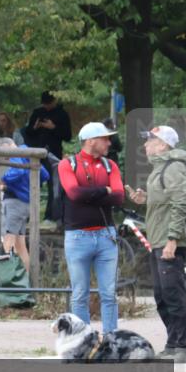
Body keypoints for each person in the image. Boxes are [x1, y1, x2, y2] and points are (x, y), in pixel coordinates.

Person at [126, 126, 186, 361]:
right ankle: (174, 343)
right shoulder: (161, 168)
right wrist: (146, 199)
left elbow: (180, 204)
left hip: (168, 240)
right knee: (162, 295)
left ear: (163, 145)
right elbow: (166, 201)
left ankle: (185, 346)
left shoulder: (174, 167)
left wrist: (172, 240)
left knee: (173, 293)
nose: (145, 145)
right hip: (159, 239)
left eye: (151, 140)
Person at [58, 122, 124, 333]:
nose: (109, 142)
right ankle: (83, 340)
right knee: (79, 294)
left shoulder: (110, 165)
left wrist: (91, 193)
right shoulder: (67, 164)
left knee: (109, 294)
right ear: (91, 141)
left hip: (106, 236)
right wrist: (104, 190)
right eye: (105, 139)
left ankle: (111, 339)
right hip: (78, 236)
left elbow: (119, 196)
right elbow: (73, 194)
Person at [0, 138, 50, 264]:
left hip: (14, 202)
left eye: (4, 155)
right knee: (20, 246)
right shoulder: (30, 154)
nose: (6, 159)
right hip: (26, 204)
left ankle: (6, 280)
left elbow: (18, 170)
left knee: (7, 242)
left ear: (7, 146)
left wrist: (4, 179)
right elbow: (45, 175)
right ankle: (25, 281)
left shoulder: (16, 152)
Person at [26, 91, 72, 220]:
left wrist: (53, 127)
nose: (46, 107)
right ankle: (29, 215)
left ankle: (51, 215)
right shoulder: (37, 113)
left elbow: (67, 135)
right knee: (32, 183)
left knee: (54, 185)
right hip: (36, 151)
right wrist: (35, 127)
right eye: (44, 104)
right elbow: (28, 133)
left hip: (53, 152)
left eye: (48, 104)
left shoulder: (62, 114)